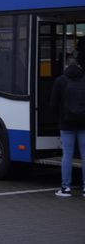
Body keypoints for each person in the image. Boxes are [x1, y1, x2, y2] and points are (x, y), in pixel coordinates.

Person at [50, 56, 85, 197]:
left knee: (67, 155)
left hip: (66, 123)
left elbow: (53, 103)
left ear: (65, 66)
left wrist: (58, 118)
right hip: (84, 123)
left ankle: (66, 188)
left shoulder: (60, 81)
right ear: (79, 66)